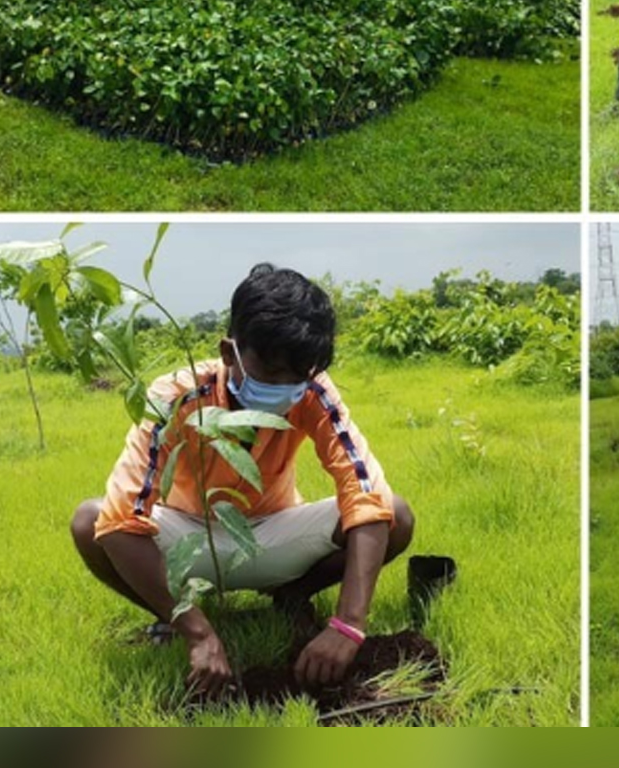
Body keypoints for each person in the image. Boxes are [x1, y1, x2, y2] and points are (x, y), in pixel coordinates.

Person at [71, 264, 415, 698]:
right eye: (271, 374)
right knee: (91, 521)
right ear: (229, 352)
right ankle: (183, 615)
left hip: (273, 535)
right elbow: (122, 519)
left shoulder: (313, 390)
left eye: (298, 375)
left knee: (394, 514)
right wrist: (199, 636)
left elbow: (364, 492)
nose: (286, 390)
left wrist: (348, 625)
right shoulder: (174, 397)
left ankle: (292, 594)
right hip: (188, 539)